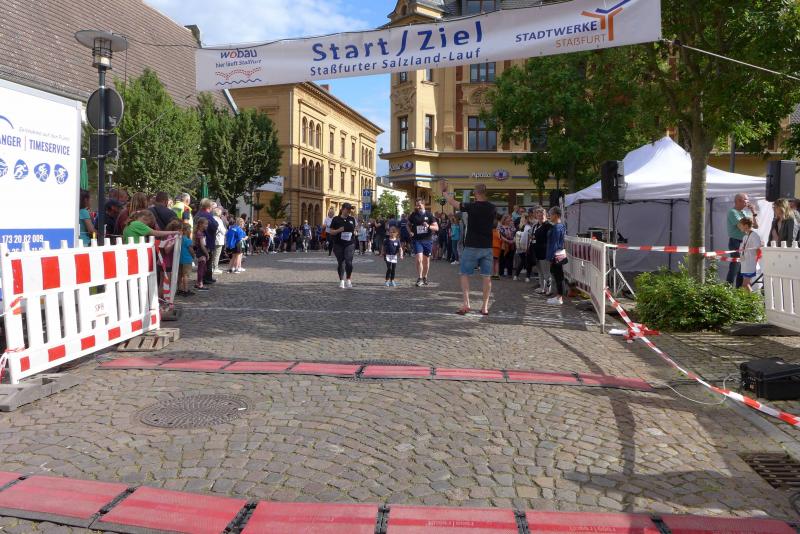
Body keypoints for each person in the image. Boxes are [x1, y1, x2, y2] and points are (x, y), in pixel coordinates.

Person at [444, 181, 496, 315]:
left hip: (472, 245)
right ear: (485, 193)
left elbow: (453, 202)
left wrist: (445, 192)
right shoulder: (492, 207)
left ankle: (466, 304)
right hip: (487, 246)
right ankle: (485, 307)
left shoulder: (471, 206)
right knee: (487, 277)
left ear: (475, 193)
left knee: (464, 274)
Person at [726, 193, 759, 287]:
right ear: (739, 201)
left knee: (742, 267)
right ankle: (727, 288)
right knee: (735, 266)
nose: (748, 201)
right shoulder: (732, 212)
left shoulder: (744, 213)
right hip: (736, 241)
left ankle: (739, 290)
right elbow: (742, 227)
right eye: (746, 199)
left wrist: (753, 212)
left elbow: (756, 226)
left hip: (744, 242)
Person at [407, 199, 439, 287]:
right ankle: (420, 278)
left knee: (426, 261)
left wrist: (428, 226)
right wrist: (410, 232)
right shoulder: (413, 215)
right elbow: (407, 224)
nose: (417, 207)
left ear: (424, 205)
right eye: (416, 205)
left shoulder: (429, 215)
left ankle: (425, 277)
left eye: (419, 205)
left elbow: (436, 228)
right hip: (417, 240)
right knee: (419, 259)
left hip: (427, 240)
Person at [328, 203, 357, 288]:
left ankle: (348, 279)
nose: (349, 211)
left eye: (350, 210)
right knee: (341, 262)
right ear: (343, 209)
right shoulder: (336, 219)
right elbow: (331, 232)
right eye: (348, 209)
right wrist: (339, 230)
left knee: (349, 262)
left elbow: (355, 229)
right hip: (338, 244)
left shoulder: (352, 219)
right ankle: (341, 280)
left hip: (350, 243)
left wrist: (356, 231)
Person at [195, 199, 219, 286]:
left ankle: (203, 278)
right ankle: (206, 278)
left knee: (204, 262)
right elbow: (215, 225)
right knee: (207, 260)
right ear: (209, 206)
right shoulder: (207, 214)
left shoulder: (198, 213)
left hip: (200, 239)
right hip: (207, 240)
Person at [546, 206, 567, 305]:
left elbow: (554, 244)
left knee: (558, 276)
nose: (549, 216)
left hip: (556, 254)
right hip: (559, 253)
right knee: (558, 275)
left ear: (556, 215)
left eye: (550, 214)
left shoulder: (557, 227)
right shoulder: (560, 226)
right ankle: (559, 296)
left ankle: (559, 297)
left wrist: (550, 257)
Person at [530, 207, 552, 294]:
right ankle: (542, 288)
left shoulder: (548, 225)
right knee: (540, 271)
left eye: (542, 214)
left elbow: (548, 238)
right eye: (539, 215)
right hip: (536, 251)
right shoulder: (535, 225)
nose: (541, 216)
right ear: (536, 215)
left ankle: (548, 289)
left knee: (546, 271)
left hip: (544, 251)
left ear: (545, 215)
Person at [738, 217, 762, 292]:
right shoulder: (745, 237)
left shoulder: (754, 236)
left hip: (750, 263)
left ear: (746, 226)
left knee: (745, 285)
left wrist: (756, 262)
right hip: (745, 263)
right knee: (745, 285)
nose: (739, 227)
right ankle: (751, 298)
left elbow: (758, 249)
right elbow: (742, 250)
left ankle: (755, 299)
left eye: (740, 225)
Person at [177, 223, 195, 297]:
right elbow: (191, 250)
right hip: (187, 260)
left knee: (179, 275)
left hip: (179, 260)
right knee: (186, 275)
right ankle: (186, 290)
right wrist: (194, 256)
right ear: (187, 230)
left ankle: (179, 289)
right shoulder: (188, 240)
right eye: (190, 229)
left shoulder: (179, 239)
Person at [193, 218, 210, 292]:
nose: (207, 225)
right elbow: (202, 246)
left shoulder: (200, 232)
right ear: (200, 224)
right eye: (205, 224)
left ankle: (199, 282)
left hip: (201, 251)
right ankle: (200, 284)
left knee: (203, 268)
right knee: (201, 269)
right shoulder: (199, 233)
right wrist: (207, 253)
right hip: (201, 252)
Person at [513, 215, 532, 282]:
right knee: (528, 262)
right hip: (526, 247)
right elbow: (530, 237)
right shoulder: (528, 227)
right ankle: (527, 277)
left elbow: (515, 237)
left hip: (519, 248)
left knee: (523, 261)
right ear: (527, 219)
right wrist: (528, 247)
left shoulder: (519, 227)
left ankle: (516, 275)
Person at [498, 213, 516, 277]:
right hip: (503, 245)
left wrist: (513, 240)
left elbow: (515, 234)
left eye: (510, 219)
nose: (510, 220)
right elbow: (500, 235)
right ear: (504, 219)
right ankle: (501, 273)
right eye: (508, 218)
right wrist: (507, 240)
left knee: (510, 259)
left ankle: (510, 273)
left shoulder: (512, 227)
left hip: (512, 245)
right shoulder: (500, 227)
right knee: (502, 259)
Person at [211, 207, 227, 274]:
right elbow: (222, 230)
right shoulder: (219, 220)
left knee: (212, 254)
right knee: (217, 255)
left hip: (212, 239)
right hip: (219, 239)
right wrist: (225, 231)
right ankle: (215, 268)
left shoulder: (211, 218)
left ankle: (211, 267)